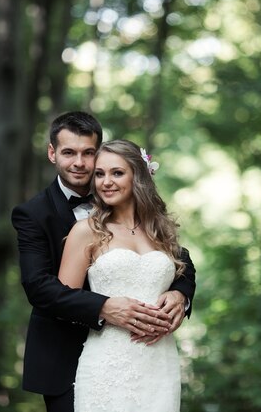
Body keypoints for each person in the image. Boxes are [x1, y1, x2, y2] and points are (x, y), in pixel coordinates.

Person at [11, 111, 196, 412]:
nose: (79, 163)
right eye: (69, 152)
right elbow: (38, 286)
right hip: (68, 354)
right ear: (52, 153)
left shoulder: (131, 206)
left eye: (88, 154)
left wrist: (180, 294)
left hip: (152, 357)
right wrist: (104, 307)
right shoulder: (33, 214)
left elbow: (178, 259)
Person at [58, 139, 189, 412]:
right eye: (100, 174)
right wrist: (104, 308)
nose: (106, 181)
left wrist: (180, 294)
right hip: (107, 363)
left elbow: (184, 273)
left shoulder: (161, 232)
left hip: (160, 363)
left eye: (117, 173)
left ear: (138, 177)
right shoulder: (86, 230)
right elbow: (63, 299)